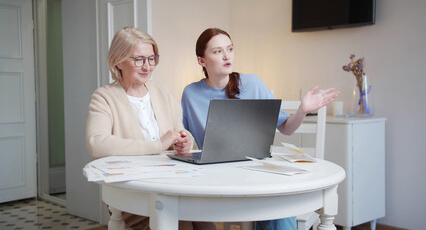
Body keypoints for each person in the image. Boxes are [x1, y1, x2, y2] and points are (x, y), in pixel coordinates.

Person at [181, 28, 339, 230]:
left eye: (229, 49)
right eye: (218, 51)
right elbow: (183, 138)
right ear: (201, 60)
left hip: (256, 172)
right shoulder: (191, 94)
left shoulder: (252, 84)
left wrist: (302, 110)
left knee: (279, 207)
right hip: (214, 178)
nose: (227, 55)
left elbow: (286, 129)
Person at [86, 26, 215, 230]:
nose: (147, 66)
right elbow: (97, 144)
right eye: (138, 59)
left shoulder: (161, 90)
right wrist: (157, 145)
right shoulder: (104, 97)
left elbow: (178, 129)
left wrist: (185, 141)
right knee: (182, 225)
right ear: (118, 61)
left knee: (207, 222)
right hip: (135, 191)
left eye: (152, 58)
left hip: (172, 183)